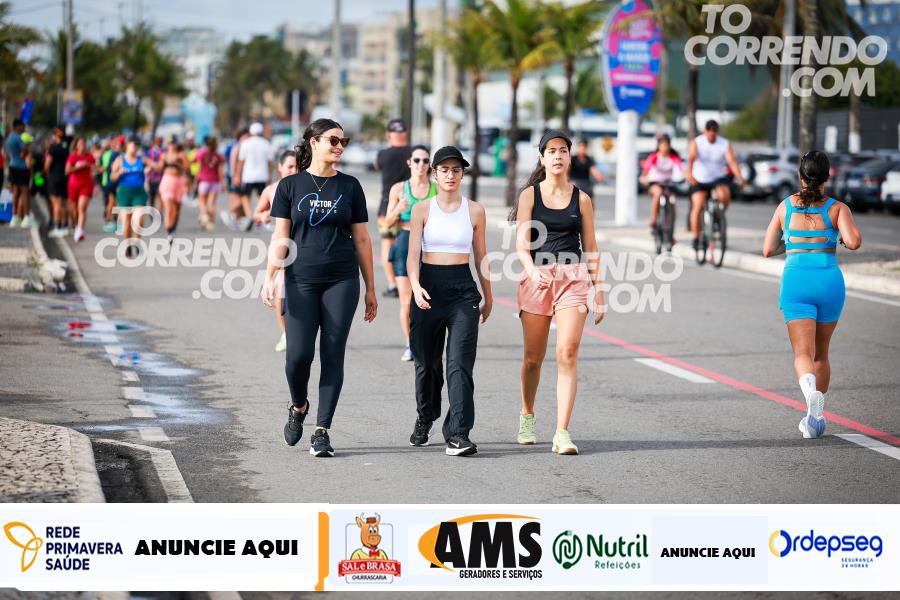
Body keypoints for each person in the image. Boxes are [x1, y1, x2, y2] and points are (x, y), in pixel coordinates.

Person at [262, 118, 377, 458]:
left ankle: (322, 431)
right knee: (298, 355)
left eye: (344, 141)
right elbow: (281, 237)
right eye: (333, 140)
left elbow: (362, 239)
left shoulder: (350, 186)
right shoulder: (290, 186)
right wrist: (270, 276)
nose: (340, 146)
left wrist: (370, 287)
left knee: (332, 352)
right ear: (314, 142)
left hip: (342, 280)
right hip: (300, 280)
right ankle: (298, 405)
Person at [511, 130, 605, 455]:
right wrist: (531, 270)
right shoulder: (529, 196)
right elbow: (522, 245)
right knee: (533, 358)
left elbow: (591, 247)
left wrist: (599, 290)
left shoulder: (582, 199)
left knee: (567, 353)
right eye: (551, 151)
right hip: (537, 278)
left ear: (569, 156)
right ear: (542, 158)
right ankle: (527, 414)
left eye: (563, 150)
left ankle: (562, 432)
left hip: (573, 279)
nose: (557, 156)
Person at [762, 151, 861, 439]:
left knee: (802, 353)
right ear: (828, 177)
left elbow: (767, 249)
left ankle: (810, 400)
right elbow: (854, 241)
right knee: (822, 353)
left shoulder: (785, 206)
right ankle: (814, 416)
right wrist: (836, 237)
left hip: (797, 281)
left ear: (800, 175)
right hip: (829, 281)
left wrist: (793, 242)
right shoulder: (837, 208)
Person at [406, 146, 493, 456]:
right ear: (435, 174)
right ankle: (425, 416)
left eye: (456, 170)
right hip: (428, 289)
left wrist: (488, 294)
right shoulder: (422, 209)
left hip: (462, 291)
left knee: (459, 364)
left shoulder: (475, 211)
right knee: (427, 365)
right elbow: (412, 255)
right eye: (444, 170)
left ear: (462, 174)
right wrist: (415, 286)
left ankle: (458, 433)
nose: (450, 175)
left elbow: (481, 256)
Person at [383, 145, 436, 362]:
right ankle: (410, 343)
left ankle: (428, 342)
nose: (421, 165)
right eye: (417, 160)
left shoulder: (437, 189)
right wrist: (398, 209)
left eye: (425, 161)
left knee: (430, 300)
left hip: (430, 245)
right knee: (407, 301)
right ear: (409, 163)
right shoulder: (399, 189)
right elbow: (387, 223)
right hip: (405, 242)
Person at [253, 150, 299, 353]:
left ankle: (301, 331)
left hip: (303, 243)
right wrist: (262, 216)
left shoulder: (305, 187)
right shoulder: (271, 190)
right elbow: (256, 213)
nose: (294, 170)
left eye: (297, 167)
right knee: (280, 290)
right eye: (290, 166)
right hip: (281, 243)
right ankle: (286, 333)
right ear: (280, 167)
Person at [686, 120, 745, 250]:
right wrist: (689, 173)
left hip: (717, 178)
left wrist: (739, 176)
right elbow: (691, 158)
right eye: (709, 133)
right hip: (699, 179)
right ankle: (696, 237)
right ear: (705, 131)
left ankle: (718, 217)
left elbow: (732, 161)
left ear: (717, 132)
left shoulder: (724, 143)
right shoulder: (697, 142)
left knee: (724, 195)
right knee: (698, 205)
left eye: (714, 133)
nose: (711, 136)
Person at [374, 118, 411, 298]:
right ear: (406, 133)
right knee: (411, 245)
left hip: (386, 206)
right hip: (410, 204)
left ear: (389, 135)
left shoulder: (383, 154)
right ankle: (409, 282)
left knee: (387, 245)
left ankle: (392, 285)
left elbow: (377, 166)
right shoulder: (414, 153)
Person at [110, 138, 149, 256]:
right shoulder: (120, 160)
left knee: (139, 220)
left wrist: (150, 168)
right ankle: (128, 245)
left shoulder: (141, 159)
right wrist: (118, 172)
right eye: (133, 144)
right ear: (127, 145)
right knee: (127, 221)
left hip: (139, 192)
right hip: (124, 193)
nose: (135, 147)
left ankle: (137, 242)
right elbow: (112, 177)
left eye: (137, 145)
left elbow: (156, 166)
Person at [639, 133, 685, 229]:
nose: (664, 147)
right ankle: (653, 219)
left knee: (672, 200)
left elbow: (681, 169)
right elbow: (645, 171)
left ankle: (671, 226)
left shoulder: (674, 157)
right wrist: (643, 178)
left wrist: (685, 177)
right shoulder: (654, 157)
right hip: (655, 183)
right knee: (658, 193)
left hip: (668, 184)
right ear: (658, 145)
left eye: (666, 144)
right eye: (662, 144)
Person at [234, 122, 272, 232]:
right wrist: (269, 176)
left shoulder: (245, 143)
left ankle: (250, 216)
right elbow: (270, 162)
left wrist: (237, 175)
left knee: (245, 197)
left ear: (251, 132)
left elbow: (241, 161)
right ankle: (259, 217)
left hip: (248, 176)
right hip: (262, 175)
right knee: (262, 198)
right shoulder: (266, 143)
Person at [64, 137, 96, 242]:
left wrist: (93, 168)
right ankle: (76, 225)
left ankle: (80, 230)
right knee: (74, 209)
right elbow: (67, 171)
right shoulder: (73, 157)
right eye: (80, 143)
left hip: (86, 185)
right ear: (76, 145)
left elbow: (94, 168)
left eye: (84, 143)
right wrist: (79, 166)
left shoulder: (89, 156)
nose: (82, 145)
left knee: (81, 208)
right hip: (73, 185)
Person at [159, 142, 190, 244]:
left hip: (179, 182)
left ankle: (173, 230)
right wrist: (164, 161)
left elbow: (187, 168)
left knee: (176, 210)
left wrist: (178, 161)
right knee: (169, 207)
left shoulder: (181, 155)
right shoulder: (164, 155)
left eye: (173, 143)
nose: (172, 146)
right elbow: (160, 168)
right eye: (170, 144)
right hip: (167, 181)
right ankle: (169, 229)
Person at [5, 119, 33, 227]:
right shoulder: (18, 138)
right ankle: (26, 217)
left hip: (13, 166)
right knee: (25, 192)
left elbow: (8, 155)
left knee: (15, 192)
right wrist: (27, 149)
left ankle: (14, 216)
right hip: (21, 167)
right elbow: (23, 152)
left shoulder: (9, 138)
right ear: (17, 126)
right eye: (22, 126)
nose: (24, 129)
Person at [195, 136, 226, 232]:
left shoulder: (202, 154)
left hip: (204, 181)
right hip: (215, 182)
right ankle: (211, 223)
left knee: (202, 201)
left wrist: (195, 181)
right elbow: (221, 171)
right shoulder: (218, 156)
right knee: (211, 204)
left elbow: (199, 168)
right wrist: (223, 183)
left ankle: (204, 215)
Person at [45, 127, 70, 237]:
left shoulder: (53, 148)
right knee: (64, 203)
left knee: (56, 203)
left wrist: (44, 172)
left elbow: (48, 164)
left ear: (55, 136)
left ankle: (58, 227)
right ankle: (65, 226)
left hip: (54, 177)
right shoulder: (66, 148)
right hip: (65, 177)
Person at [222, 128, 248, 229]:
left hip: (243, 177)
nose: (247, 138)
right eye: (245, 137)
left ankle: (237, 220)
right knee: (238, 199)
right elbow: (232, 164)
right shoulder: (237, 147)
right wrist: (234, 177)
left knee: (241, 199)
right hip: (235, 177)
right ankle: (229, 214)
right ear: (240, 137)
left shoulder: (244, 147)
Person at [99, 136, 123, 233]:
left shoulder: (111, 154)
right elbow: (114, 167)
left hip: (109, 182)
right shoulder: (116, 155)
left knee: (112, 202)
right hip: (113, 182)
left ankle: (110, 222)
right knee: (115, 203)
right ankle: (112, 222)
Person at [144, 136, 164, 208]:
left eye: (160, 141)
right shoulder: (149, 152)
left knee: (160, 195)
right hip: (151, 177)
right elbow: (145, 162)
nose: (159, 143)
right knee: (152, 196)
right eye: (158, 141)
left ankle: (159, 212)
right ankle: (152, 210)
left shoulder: (163, 151)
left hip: (161, 177)